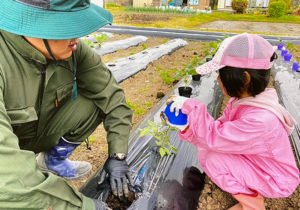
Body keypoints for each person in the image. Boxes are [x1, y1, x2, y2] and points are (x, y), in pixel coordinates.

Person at [0, 0, 134, 209]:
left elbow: (113, 98)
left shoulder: (73, 51)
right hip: (8, 145)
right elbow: (5, 177)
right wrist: (87, 207)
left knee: (95, 102)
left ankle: (52, 161)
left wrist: (118, 155)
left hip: (39, 132)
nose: (77, 39)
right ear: (35, 25)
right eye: (68, 28)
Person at [162, 33, 299, 209]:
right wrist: (187, 126)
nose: (218, 79)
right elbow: (217, 130)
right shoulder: (243, 102)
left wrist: (192, 108)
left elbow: (214, 137)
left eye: (222, 74)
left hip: (277, 179)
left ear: (244, 78)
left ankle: (253, 206)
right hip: (260, 163)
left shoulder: (261, 121)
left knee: (213, 160)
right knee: (207, 151)